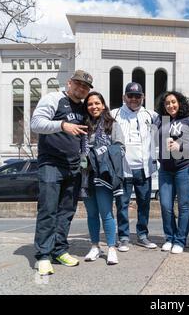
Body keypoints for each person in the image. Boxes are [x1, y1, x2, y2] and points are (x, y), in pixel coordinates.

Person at [31, 70, 93, 276]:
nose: (81, 88)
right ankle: (43, 255)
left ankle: (59, 250)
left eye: (85, 86)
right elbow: (36, 124)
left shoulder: (83, 108)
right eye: (78, 84)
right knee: (48, 209)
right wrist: (62, 125)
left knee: (66, 211)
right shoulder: (54, 99)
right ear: (69, 83)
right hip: (51, 163)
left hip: (73, 166)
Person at [111, 82, 158, 251]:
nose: (133, 99)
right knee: (122, 204)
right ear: (124, 97)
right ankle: (123, 237)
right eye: (130, 96)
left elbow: (165, 135)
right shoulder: (114, 114)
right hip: (123, 169)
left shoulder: (152, 115)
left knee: (144, 203)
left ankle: (142, 235)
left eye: (137, 96)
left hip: (144, 168)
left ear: (143, 97)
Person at [156, 91, 189, 254]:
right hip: (165, 170)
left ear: (180, 102)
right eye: (167, 103)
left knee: (183, 205)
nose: (170, 105)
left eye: (173, 102)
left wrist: (180, 147)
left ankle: (180, 240)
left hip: (185, 167)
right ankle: (169, 237)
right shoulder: (161, 121)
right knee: (165, 205)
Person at [82, 92, 125, 265]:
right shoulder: (82, 126)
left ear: (103, 105)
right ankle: (94, 246)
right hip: (86, 174)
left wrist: (102, 155)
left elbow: (121, 148)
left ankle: (111, 248)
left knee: (106, 213)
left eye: (97, 103)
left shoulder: (112, 125)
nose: (94, 107)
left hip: (104, 174)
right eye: (90, 104)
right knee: (91, 214)